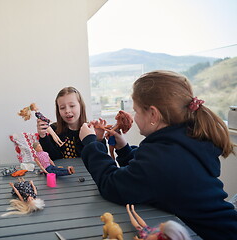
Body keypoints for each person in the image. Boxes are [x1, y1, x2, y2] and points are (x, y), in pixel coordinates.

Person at [79, 70, 237, 239]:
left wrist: (90, 143)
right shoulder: (185, 140)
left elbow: (111, 185)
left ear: (153, 114)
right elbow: (147, 173)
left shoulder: (162, 157)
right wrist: (124, 148)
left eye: (137, 111)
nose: (135, 117)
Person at [37, 86, 105, 160]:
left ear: (81, 106)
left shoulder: (89, 131)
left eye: (72, 106)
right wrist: (43, 136)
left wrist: (99, 139)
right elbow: (52, 159)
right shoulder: (54, 130)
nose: (67, 111)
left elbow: (101, 159)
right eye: (62, 108)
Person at [126, 204, 191, 240]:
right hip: (151, 232)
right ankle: (134, 211)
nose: (161, 223)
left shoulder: (157, 238)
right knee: (144, 225)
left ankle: (129, 211)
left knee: (138, 227)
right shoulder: (162, 236)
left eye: (164, 225)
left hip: (146, 236)